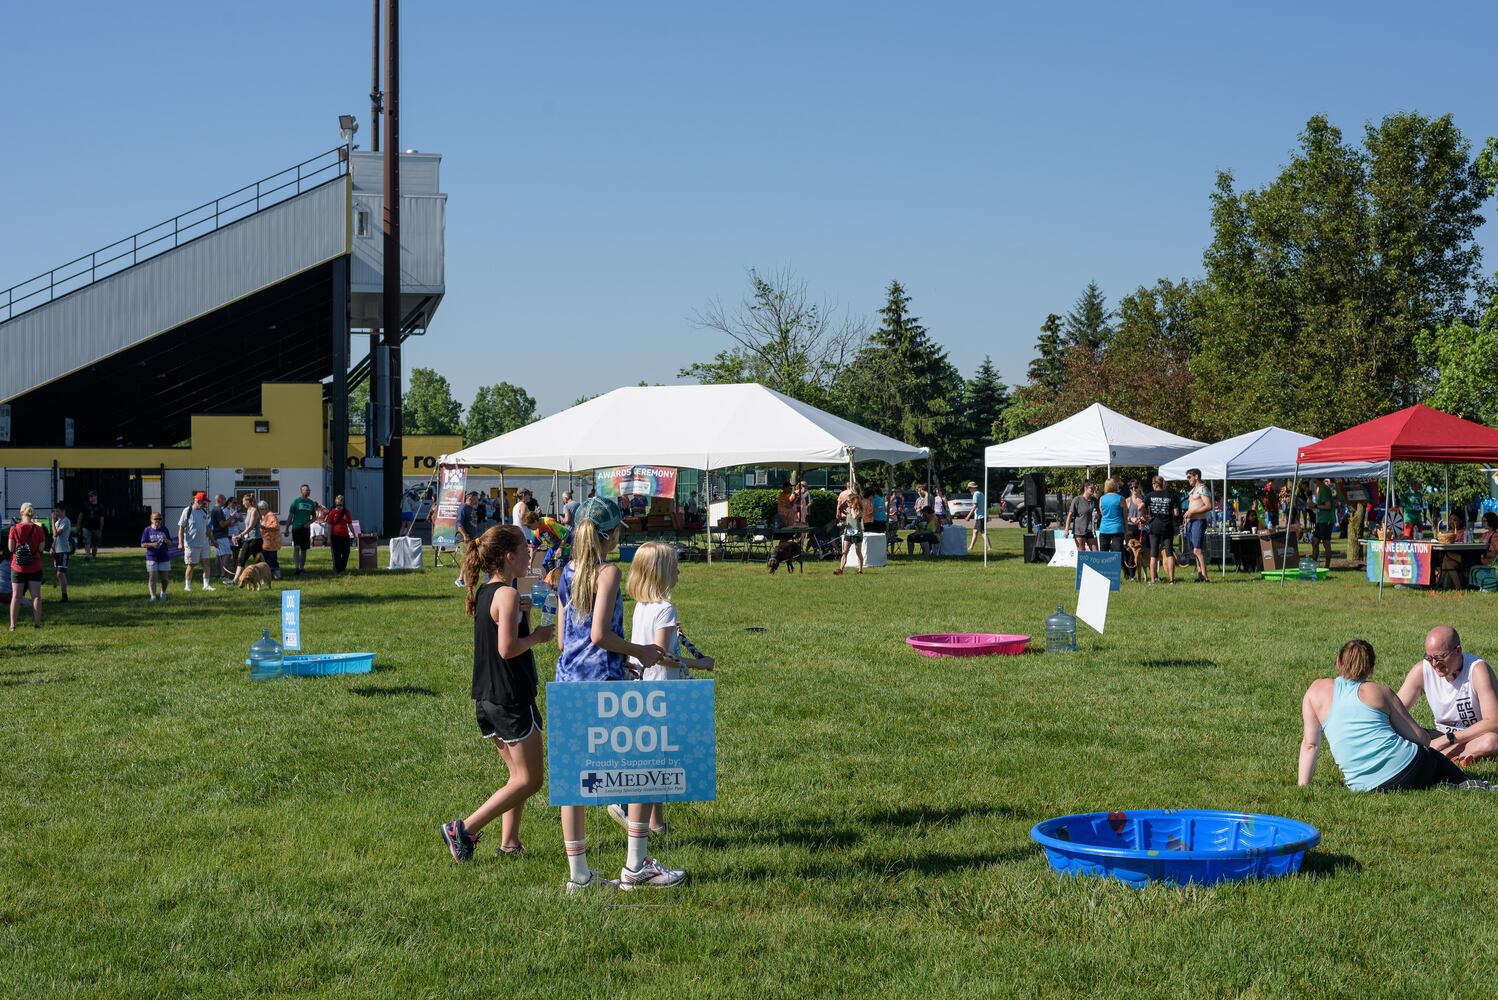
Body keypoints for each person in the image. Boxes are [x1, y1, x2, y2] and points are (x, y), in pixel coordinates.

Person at [553, 497, 679, 893]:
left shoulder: (564, 572)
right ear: (613, 534)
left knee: (572, 782)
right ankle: (635, 866)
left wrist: (611, 658)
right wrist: (637, 652)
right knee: (641, 769)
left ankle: (580, 875)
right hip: (605, 686)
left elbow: (563, 640)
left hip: (569, 681)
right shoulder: (608, 573)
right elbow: (599, 635)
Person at [439, 526, 555, 863]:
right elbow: (507, 649)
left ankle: (509, 842)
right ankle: (463, 828)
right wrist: (538, 636)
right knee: (530, 780)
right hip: (509, 699)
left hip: (489, 698)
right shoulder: (505, 595)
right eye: (525, 547)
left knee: (516, 777)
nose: (531, 553)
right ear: (508, 555)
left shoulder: (494, 592)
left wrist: (526, 615)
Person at [606, 542, 714, 837]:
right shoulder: (665, 609)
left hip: (642, 687)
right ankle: (626, 805)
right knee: (660, 759)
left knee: (654, 755)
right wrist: (700, 664)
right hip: (663, 690)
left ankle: (656, 823)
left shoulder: (643, 606)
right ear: (662, 572)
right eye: (674, 565)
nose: (679, 570)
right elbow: (664, 657)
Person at [1299, 639, 1471, 792]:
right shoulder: (1380, 692)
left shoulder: (1315, 691)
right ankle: (1465, 781)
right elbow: (1421, 739)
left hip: (1361, 786)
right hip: (1410, 770)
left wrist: (1303, 787)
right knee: (1430, 755)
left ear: (1338, 662)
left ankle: (1444, 783)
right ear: (1371, 668)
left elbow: (1310, 745)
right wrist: (1440, 736)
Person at [1397, 626, 1498, 763]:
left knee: (1491, 742)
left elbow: (1494, 722)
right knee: (1401, 732)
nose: (1434, 664)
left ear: (1458, 651)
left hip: (1475, 735)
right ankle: (1454, 756)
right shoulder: (1422, 670)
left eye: (1440, 657)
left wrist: (1450, 738)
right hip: (1439, 736)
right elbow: (1394, 712)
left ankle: (1435, 758)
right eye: (1429, 657)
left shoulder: (1477, 670)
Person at [8, 503, 46, 630]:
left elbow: (10, 548)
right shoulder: (38, 529)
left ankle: (13, 625)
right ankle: (37, 625)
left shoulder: (14, 528)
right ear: (32, 513)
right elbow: (41, 549)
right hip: (34, 566)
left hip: (18, 567)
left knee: (16, 596)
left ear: (21, 513)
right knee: (36, 596)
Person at [1143, 475, 1179, 584]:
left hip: (1154, 526)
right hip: (1167, 526)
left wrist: (1145, 516)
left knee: (1153, 554)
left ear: (1154, 484)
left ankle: (1153, 580)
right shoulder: (1170, 496)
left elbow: (1141, 507)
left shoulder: (1149, 495)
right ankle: (1172, 580)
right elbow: (1176, 513)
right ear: (1162, 484)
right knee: (1169, 553)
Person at [178, 492, 216, 592]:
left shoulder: (204, 512)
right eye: (204, 503)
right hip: (191, 544)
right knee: (191, 565)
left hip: (204, 543)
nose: (205, 505)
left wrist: (213, 541)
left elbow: (206, 529)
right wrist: (180, 543)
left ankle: (206, 585)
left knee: (207, 563)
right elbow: (181, 528)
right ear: (197, 501)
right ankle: (187, 586)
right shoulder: (187, 511)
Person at [1183, 468, 1212, 582]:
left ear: (1196, 476)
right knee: (1193, 550)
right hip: (1191, 522)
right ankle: (1200, 575)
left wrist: (1192, 512)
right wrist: (1188, 515)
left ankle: (1205, 576)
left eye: (1189, 477)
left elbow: (1208, 505)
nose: (1188, 479)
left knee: (1197, 550)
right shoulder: (1193, 490)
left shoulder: (1202, 488)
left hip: (1199, 521)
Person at [230, 494, 263, 585]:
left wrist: (240, 535)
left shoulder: (254, 511)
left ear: (248, 501)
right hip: (248, 539)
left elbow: (250, 526)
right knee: (241, 559)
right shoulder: (248, 510)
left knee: (258, 561)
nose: (243, 503)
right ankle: (235, 580)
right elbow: (247, 527)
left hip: (255, 539)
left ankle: (262, 578)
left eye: (244, 501)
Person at [287, 484, 319, 577]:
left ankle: (301, 568)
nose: (308, 492)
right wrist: (286, 528)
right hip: (296, 528)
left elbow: (314, 517)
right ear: (301, 491)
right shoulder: (296, 502)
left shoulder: (311, 503)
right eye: (306, 490)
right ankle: (296, 568)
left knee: (304, 549)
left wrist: (308, 523)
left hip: (306, 528)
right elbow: (290, 516)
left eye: (309, 490)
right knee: (296, 547)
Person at [834, 481, 864, 576]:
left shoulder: (859, 509)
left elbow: (855, 517)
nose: (847, 502)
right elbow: (841, 509)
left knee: (858, 552)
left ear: (853, 501)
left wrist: (850, 509)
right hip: (848, 532)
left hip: (857, 533)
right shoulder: (849, 508)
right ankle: (841, 569)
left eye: (848, 501)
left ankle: (860, 570)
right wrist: (842, 508)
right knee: (844, 552)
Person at [141, 511, 172, 602]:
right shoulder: (147, 530)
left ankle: (163, 592)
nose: (158, 521)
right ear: (151, 520)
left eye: (159, 519)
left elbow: (170, 543)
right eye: (156, 519)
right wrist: (152, 544)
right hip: (151, 557)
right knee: (152, 577)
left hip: (164, 557)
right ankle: (153, 596)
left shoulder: (164, 529)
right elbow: (142, 544)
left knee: (165, 579)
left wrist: (166, 540)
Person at [1311, 477, 1337, 569]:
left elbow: (1328, 506)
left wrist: (1314, 505)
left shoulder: (1324, 490)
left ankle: (1327, 566)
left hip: (1326, 520)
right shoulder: (1319, 488)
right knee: (1314, 541)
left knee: (1326, 543)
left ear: (1316, 479)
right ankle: (1313, 565)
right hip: (1320, 520)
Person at [1065, 481, 1098, 552]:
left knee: (1096, 553)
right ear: (1085, 488)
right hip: (1079, 530)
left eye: (1094, 488)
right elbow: (1070, 515)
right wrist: (1066, 529)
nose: (1093, 489)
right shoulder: (1077, 500)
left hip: (1091, 530)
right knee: (1082, 554)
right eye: (1091, 488)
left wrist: (1097, 516)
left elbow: (1098, 514)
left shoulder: (1094, 500)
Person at [1097, 479, 1125, 558]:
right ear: (1115, 486)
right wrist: (1126, 529)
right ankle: (1115, 570)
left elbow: (1102, 513)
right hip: (1117, 529)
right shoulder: (1121, 498)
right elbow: (1125, 515)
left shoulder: (1101, 498)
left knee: (1103, 555)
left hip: (1104, 529)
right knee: (1116, 556)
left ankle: (1103, 570)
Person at [326, 495, 354, 574]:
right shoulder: (332, 513)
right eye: (337, 505)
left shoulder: (346, 512)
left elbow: (350, 524)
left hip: (345, 536)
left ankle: (342, 568)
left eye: (340, 505)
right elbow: (329, 526)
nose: (339, 507)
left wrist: (355, 534)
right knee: (336, 554)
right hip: (335, 536)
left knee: (346, 552)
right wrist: (328, 538)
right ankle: (336, 570)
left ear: (343, 503)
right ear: (335, 504)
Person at [49, 504, 72, 603]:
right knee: (57, 573)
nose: (55, 513)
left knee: (60, 573)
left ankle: (65, 596)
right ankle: (61, 591)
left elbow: (55, 533)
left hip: (63, 550)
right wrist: (52, 547)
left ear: (63, 511)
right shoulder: (58, 522)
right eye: (54, 511)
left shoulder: (65, 521)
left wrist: (52, 521)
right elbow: (55, 538)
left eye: (57, 511)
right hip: (57, 551)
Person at [211, 494, 236, 581]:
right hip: (221, 536)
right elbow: (222, 524)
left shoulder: (215, 509)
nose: (225, 501)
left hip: (217, 535)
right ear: (220, 499)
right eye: (224, 499)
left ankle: (218, 574)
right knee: (227, 554)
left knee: (218, 555)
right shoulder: (218, 510)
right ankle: (223, 575)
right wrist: (232, 517)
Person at [259, 502, 284, 580]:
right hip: (268, 542)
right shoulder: (264, 515)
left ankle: (268, 576)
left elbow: (275, 526)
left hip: (271, 542)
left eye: (261, 509)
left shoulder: (271, 515)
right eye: (259, 509)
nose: (260, 511)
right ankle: (277, 576)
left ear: (266, 508)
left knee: (268, 561)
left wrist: (263, 527)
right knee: (272, 561)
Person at [78, 491, 104, 560]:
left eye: (92, 496)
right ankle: (88, 556)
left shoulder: (100, 506)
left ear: (96, 497)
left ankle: (93, 556)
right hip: (86, 527)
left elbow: (102, 519)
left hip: (96, 528)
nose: (90, 497)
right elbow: (80, 516)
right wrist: (78, 525)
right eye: (89, 496)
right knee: (87, 542)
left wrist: (100, 529)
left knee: (95, 544)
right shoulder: (85, 505)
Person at [965, 481, 988, 553]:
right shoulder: (981, 493)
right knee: (975, 531)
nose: (969, 490)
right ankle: (971, 547)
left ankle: (989, 547)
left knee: (982, 532)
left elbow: (975, 506)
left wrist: (968, 516)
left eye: (969, 488)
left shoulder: (975, 494)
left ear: (972, 488)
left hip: (980, 516)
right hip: (982, 515)